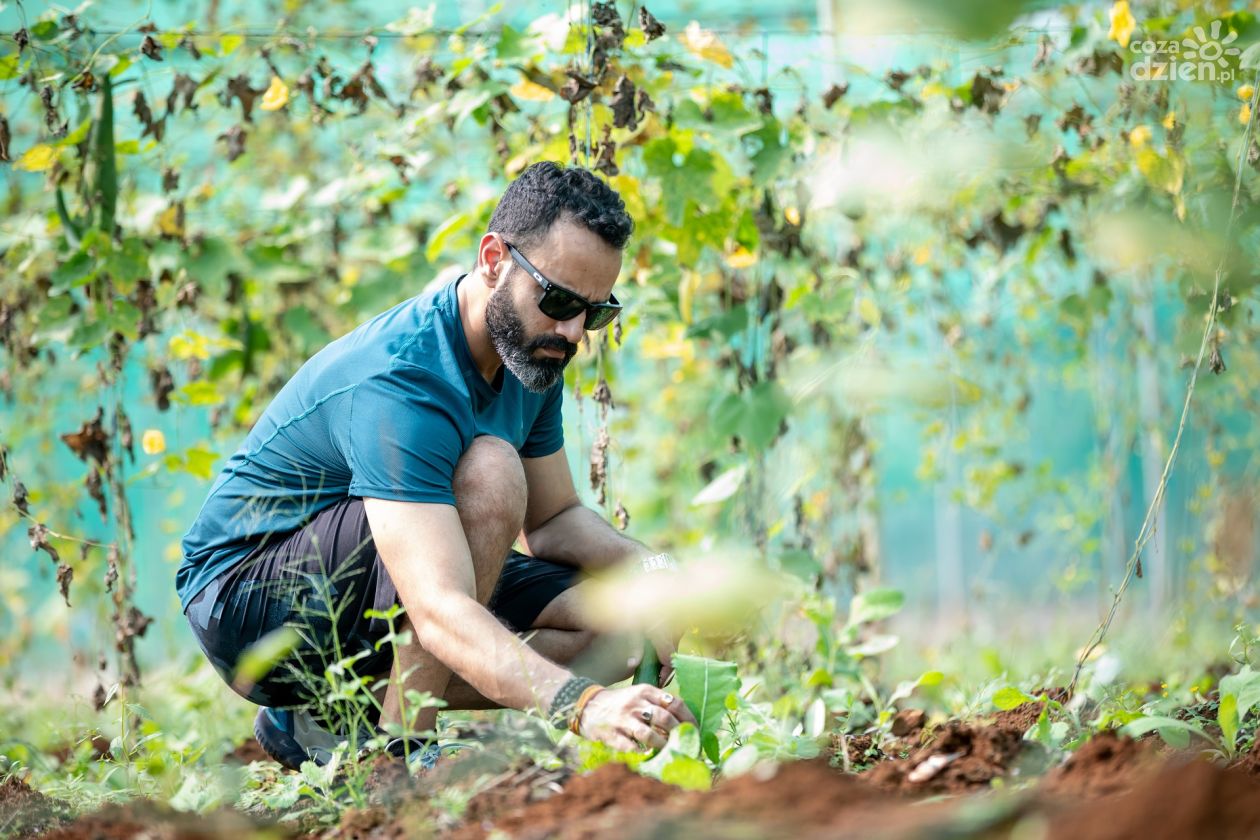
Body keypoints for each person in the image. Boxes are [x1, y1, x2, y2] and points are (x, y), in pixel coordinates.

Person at [177, 161, 694, 769]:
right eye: (557, 299)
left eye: (595, 311)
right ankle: (400, 754)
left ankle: (332, 715)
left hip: (386, 569)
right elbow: (439, 607)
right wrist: (584, 706)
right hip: (246, 600)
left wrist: (661, 570)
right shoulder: (404, 378)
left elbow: (554, 521)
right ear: (494, 259)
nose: (574, 330)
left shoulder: (533, 354)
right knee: (491, 469)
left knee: (617, 632)